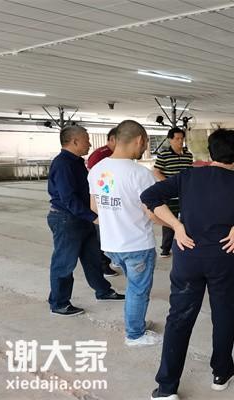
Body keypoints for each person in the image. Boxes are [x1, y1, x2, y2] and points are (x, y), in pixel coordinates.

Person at [141, 129, 234, 400]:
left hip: (187, 256)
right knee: (224, 315)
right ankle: (221, 372)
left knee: (179, 318)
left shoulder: (189, 176)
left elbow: (149, 196)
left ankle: (166, 387)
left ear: (210, 152)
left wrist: (177, 226)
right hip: (224, 257)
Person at [89, 120, 167, 346]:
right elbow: (152, 213)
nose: (144, 148)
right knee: (138, 290)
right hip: (136, 244)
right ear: (140, 140)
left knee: (134, 287)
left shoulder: (97, 169)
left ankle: (137, 323)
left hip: (111, 244)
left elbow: (94, 206)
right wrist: (177, 226)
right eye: (145, 143)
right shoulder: (140, 174)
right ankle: (135, 334)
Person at [47, 125, 124, 317]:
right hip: (66, 219)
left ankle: (103, 291)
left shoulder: (76, 162)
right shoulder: (63, 164)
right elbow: (68, 198)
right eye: (86, 140)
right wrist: (93, 217)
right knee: (64, 263)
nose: (89, 144)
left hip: (81, 217)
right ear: (74, 141)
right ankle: (59, 303)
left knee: (92, 258)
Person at [153, 127, 193, 258]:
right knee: (170, 220)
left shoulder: (188, 155)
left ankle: (186, 244)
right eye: (177, 139)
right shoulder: (164, 154)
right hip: (170, 195)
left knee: (187, 219)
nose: (180, 141)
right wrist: (169, 184)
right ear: (170, 140)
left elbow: (189, 172)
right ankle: (165, 248)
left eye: (182, 138)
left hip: (185, 193)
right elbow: (156, 171)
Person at [87, 127, 119, 278]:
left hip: (112, 200)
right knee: (101, 236)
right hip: (103, 200)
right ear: (112, 139)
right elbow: (97, 181)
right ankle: (103, 265)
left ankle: (114, 259)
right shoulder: (100, 155)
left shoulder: (114, 155)